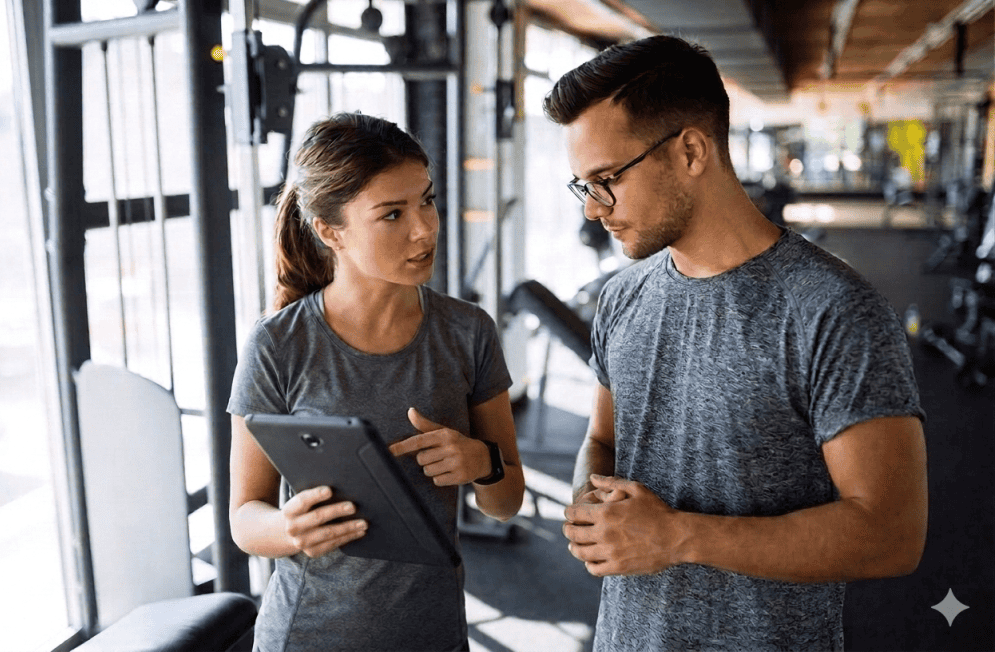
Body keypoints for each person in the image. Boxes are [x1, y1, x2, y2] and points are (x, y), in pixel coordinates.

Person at [543, 36, 928, 651]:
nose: (593, 209)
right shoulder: (621, 298)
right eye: (582, 186)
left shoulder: (832, 311)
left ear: (692, 150)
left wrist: (675, 536)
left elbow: (890, 533)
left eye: (607, 179)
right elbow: (603, 439)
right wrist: (591, 501)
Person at [227, 112, 524, 652]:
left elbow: (504, 503)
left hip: (433, 635)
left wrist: (484, 462)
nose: (425, 228)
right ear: (329, 231)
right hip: (306, 637)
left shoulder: (467, 331)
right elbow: (246, 518)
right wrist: (290, 529)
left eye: (427, 201)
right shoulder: (278, 344)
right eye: (392, 214)